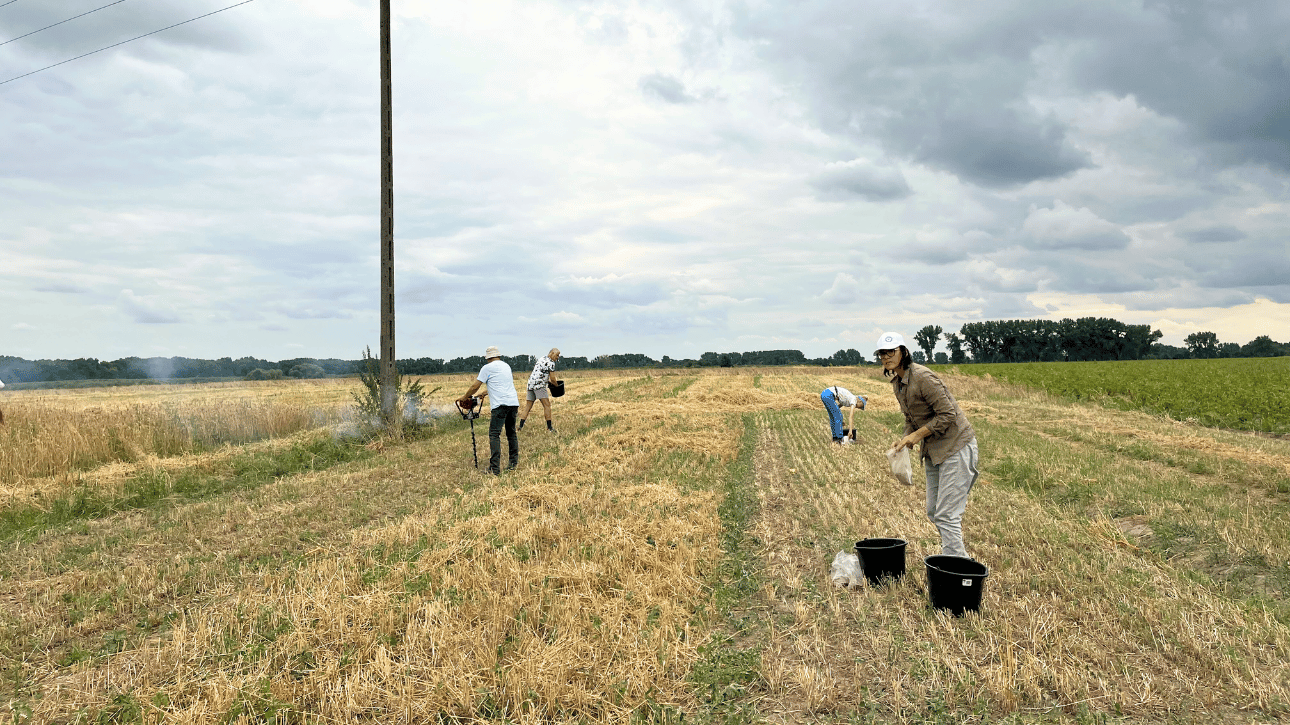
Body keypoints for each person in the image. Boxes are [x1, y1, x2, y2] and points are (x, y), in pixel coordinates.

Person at [877, 331, 979, 559]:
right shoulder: (898, 383)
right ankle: (959, 560)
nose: (886, 357)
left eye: (891, 352)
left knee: (946, 515)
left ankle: (956, 566)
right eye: (882, 353)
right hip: (934, 452)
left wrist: (916, 436)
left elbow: (948, 414)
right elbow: (910, 418)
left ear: (903, 352)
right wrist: (905, 437)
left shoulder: (923, 377)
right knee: (934, 511)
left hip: (956, 447)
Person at [457, 346, 520, 475]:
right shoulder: (506, 366)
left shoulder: (487, 368)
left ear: (488, 358)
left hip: (500, 405)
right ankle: (513, 463)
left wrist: (464, 397)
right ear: (498, 356)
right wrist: (485, 393)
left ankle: (494, 468)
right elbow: (501, 385)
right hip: (513, 403)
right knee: (511, 433)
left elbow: (475, 385)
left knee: (494, 434)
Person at [519, 348, 561, 433]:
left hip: (531, 384)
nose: (557, 358)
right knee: (547, 405)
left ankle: (519, 427)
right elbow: (553, 378)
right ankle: (549, 428)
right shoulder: (551, 363)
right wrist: (557, 386)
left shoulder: (542, 358)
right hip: (539, 386)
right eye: (557, 355)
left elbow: (540, 373)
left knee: (528, 406)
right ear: (552, 353)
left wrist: (547, 382)